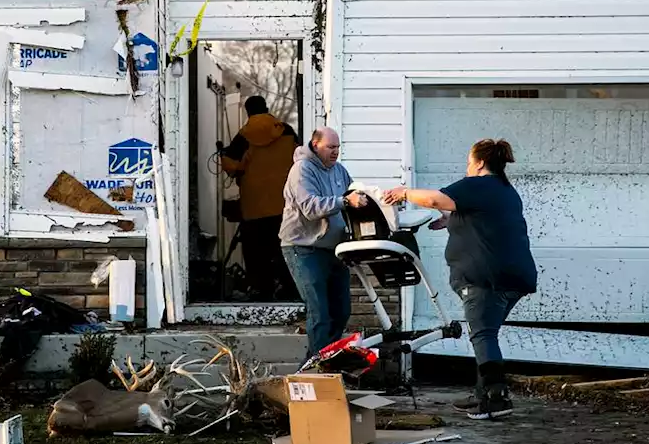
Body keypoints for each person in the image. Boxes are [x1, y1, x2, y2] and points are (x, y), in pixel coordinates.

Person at [383, 138, 537, 420]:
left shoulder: (477, 185)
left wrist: (403, 193)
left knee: (483, 334)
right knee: (486, 333)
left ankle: (496, 397)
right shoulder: (505, 191)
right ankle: (482, 393)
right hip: (516, 276)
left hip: (485, 277)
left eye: (469, 161)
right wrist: (451, 220)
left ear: (479, 162)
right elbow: (483, 220)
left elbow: (432, 199)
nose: (467, 166)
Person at [279, 127, 369, 357]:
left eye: (338, 147)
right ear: (315, 145)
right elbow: (310, 208)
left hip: (334, 249)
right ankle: (319, 370)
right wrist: (345, 201)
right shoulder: (301, 170)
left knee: (341, 311)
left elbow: (352, 200)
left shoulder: (339, 171)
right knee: (319, 312)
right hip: (303, 248)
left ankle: (319, 362)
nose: (335, 152)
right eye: (330, 147)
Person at [220, 95, 301, 300]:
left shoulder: (244, 136)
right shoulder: (286, 131)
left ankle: (261, 289)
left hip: (254, 205)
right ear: (266, 108)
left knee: (256, 250)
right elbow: (301, 159)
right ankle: (289, 288)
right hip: (285, 203)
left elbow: (231, 165)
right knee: (284, 247)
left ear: (248, 111)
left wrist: (229, 161)